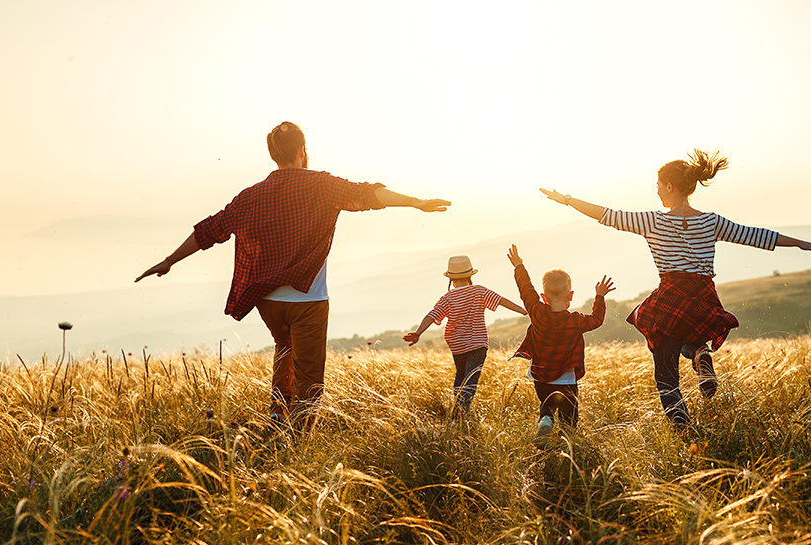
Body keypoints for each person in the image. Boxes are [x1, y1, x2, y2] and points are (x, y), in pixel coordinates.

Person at [136, 121, 450, 429]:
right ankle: (297, 440)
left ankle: (277, 415)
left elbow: (211, 230)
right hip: (308, 300)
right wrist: (414, 202)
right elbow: (368, 194)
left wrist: (169, 260)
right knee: (310, 376)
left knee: (284, 349)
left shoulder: (251, 196)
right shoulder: (321, 185)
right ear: (302, 150)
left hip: (267, 301)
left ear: (273, 154)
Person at [539, 149, 811, 429]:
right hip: (703, 296)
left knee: (665, 374)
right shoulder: (711, 221)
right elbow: (754, 235)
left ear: (669, 186)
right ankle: (699, 354)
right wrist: (800, 243)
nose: (656, 191)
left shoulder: (653, 221)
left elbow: (606, 214)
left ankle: (683, 429)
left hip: (671, 296)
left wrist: (567, 200)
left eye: (658, 186)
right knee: (685, 337)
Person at [506, 244, 614, 448]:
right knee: (568, 415)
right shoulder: (576, 321)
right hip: (566, 378)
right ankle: (566, 444)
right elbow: (597, 319)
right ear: (571, 296)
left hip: (540, 375)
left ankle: (545, 419)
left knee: (547, 404)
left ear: (543, 297)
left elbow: (525, 289)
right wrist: (599, 297)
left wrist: (519, 266)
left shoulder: (537, 311)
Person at [403, 255, 527, 420]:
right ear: (470, 275)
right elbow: (501, 300)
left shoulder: (447, 298)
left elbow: (431, 316)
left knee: (460, 378)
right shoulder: (479, 291)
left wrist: (418, 333)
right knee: (470, 381)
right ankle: (459, 415)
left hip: (457, 346)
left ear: (451, 280)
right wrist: (523, 310)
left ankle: (456, 415)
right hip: (477, 345)